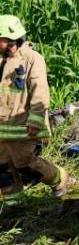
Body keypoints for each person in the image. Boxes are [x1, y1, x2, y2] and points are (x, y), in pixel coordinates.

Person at [0, 15, 68, 197]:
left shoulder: (32, 59)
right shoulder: (2, 62)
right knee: (3, 167)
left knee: (25, 163)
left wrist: (36, 120)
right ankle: (12, 204)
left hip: (24, 125)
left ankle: (58, 177)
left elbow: (40, 92)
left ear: (9, 39)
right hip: (4, 127)